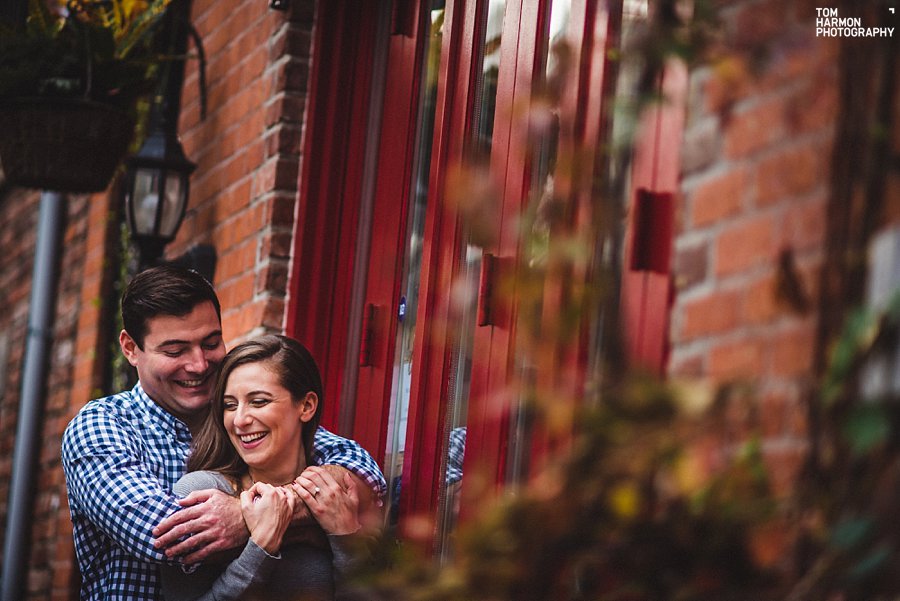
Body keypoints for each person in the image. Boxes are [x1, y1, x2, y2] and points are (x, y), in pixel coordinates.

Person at [62, 265, 385, 601]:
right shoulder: (102, 426)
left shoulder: (245, 425)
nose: (199, 364)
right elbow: (169, 540)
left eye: (211, 342)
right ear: (131, 348)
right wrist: (305, 521)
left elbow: (361, 479)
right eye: (175, 351)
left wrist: (250, 515)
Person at [162, 335, 366, 600]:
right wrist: (260, 547)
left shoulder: (333, 496)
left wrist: (346, 538)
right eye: (230, 405)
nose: (240, 420)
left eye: (259, 401)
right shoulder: (201, 492)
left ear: (306, 406)